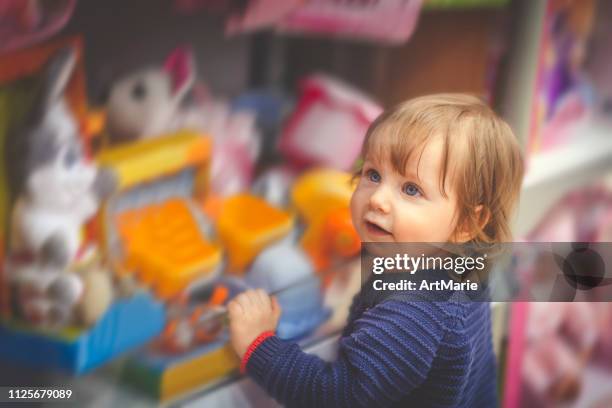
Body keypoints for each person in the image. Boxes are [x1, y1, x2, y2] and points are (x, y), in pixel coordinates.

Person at [227, 93, 524, 407]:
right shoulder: (462, 267)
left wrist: (257, 344)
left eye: (411, 189)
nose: (377, 198)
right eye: (372, 174)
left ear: (467, 222)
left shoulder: (413, 312)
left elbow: (334, 396)